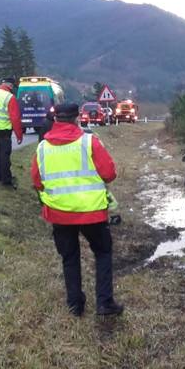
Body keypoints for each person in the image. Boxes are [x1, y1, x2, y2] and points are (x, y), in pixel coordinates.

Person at [31, 102, 124, 317]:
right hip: (91, 211)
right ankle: (104, 303)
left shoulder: (43, 147)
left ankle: (75, 306)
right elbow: (109, 173)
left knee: (70, 258)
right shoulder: (89, 142)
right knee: (103, 252)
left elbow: (36, 181)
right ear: (77, 118)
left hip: (59, 213)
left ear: (55, 120)